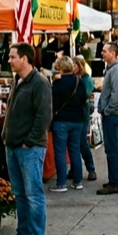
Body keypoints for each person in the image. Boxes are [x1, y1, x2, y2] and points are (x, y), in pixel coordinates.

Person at [0, 42, 52, 235]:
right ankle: (23, 233)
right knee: (19, 193)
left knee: (33, 194)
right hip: (12, 145)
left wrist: (29, 141)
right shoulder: (18, 81)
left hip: (28, 148)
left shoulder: (39, 83)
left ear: (25, 59)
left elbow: (44, 116)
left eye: (13, 57)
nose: (9, 60)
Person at [49, 56, 94, 192]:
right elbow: (84, 99)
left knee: (60, 152)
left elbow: (52, 102)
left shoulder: (57, 83)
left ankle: (61, 183)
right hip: (77, 120)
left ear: (61, 67)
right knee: (75, 150)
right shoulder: (79, 82)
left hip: (61, 120)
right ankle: (77, 181)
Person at [95, 42, 118, 195]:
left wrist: (107, 110)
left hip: (114, 114)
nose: (102, 53)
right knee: (115, 147)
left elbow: (117, 95)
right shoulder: (113, 69)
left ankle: (115, 182)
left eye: (105, 51)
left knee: (112, 149)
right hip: (115, 113)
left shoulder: (116, 70)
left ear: (113, 53)